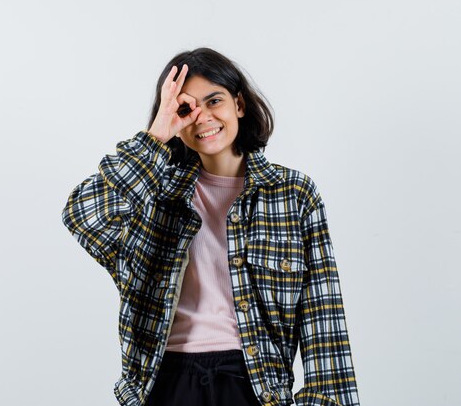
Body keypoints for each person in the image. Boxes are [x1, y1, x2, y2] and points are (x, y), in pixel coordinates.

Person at [61, 47, 360, 406]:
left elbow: (323, 318)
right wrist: (156, 136)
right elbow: (83, 215)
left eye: (214, 100)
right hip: (166, 384)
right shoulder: (156, 193)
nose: (202, 117)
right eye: (187, 108)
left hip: (254, 385)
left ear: (239, 104)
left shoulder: (293, 193)